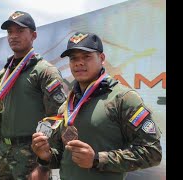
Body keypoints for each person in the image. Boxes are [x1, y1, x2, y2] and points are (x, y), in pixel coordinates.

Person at [31, 32, 162, 180]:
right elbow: (64, 156)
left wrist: (97, 159)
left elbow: (153, 153)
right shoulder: (67, 106)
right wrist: (46, 156)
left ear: (102, 58)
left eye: (86, 56)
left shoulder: (123, 99)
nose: (79, 63)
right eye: (74, 58)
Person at [0, 11, 66, 180]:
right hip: (4, 153)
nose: (13, 36)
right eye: (10, 32)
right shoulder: (4, 73)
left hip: (31, 155)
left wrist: (44, 164)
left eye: (20, 31)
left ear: (33, 35)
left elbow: (57, 118)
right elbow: (5, 116)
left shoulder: (45, 71)